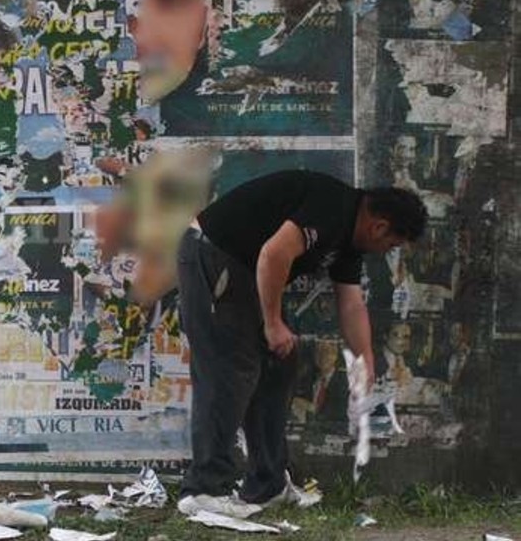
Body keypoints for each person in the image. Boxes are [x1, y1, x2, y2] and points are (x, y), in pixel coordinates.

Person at [175, 170, 426, 518]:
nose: (388, 251)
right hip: (215, 254)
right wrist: (273, 323)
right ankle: (204, 489)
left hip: (246, 270)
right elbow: (274, 254)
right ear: (380, 227)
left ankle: (269, 484)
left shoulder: (349, 240)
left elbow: (351, 304)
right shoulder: (333, 208)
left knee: (279, 364)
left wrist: (366, 359)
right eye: (393, 245)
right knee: (229, 370)